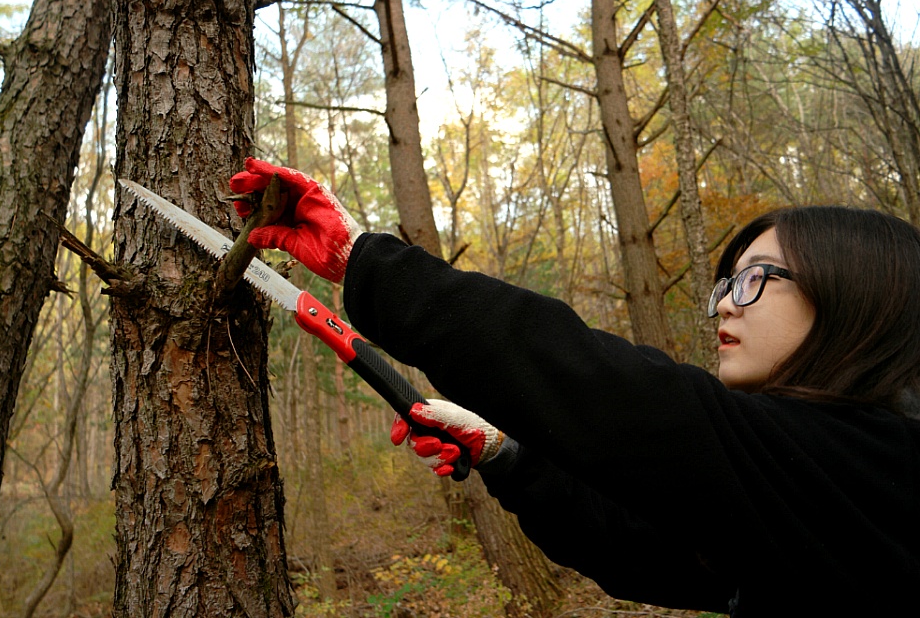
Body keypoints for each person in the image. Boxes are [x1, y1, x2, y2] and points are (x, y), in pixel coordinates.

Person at [229, 157, 920, 617]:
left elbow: (598, 387)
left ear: (856, 299)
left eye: (755, 278)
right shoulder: (808, 500)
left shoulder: (877, 465)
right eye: (725, 284)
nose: (728, 305)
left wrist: (363, 259)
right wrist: (508, 456)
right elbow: (646, 554)